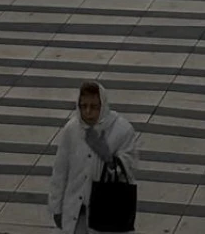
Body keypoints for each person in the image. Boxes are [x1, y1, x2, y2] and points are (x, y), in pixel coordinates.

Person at [50, 80, 139, 233]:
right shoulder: (72, 129)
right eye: (83, 106)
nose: (88, 112)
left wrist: (106, 155)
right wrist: (56, 207)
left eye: (94, 107)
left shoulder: (122, 130)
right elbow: (60, 171)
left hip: (108, 213)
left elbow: (129, 169)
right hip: (76, 211)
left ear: (102, 105)